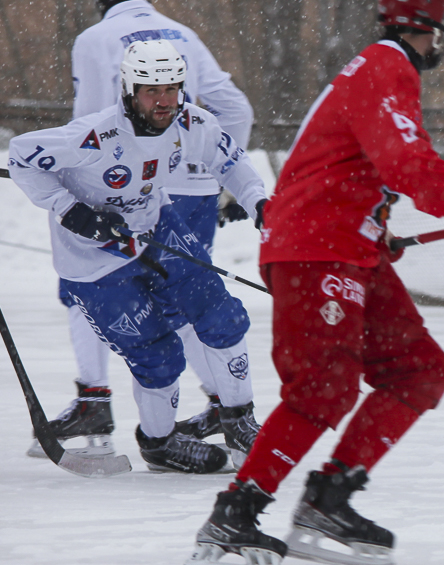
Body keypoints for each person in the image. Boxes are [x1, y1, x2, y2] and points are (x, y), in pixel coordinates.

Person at [183, 0, 444, 565]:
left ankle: (328, 501)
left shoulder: (380, 69)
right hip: (315, 250)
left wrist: (375, 230)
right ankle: (234, 517)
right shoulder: (386, 67)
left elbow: (355, 169)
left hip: (348, 249)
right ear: (434, 20)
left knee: (418, 369)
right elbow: (404, 157)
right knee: (322, 387)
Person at [35, 0, 256, 460]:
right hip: (192, 183)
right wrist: (219, 174)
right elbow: (232, 107)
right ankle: (229, 407)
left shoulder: (92, 40)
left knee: (95, 290)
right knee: (191, 298)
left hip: (126, 183)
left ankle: (97, 397)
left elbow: (92, 123)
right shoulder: (184, 33)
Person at [8, 40, 268, 473]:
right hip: (93, 262)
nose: (164, 101)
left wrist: (259, 201)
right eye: (152, 91)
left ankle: (240, 419)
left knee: (220, 313)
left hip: (155, 228)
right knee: (159, 357)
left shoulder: (190, 122)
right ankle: (160, 444)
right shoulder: (94, 135)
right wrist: (73, 212)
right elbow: (22, 157)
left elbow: (230, 161)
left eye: (172, 89)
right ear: (129, 90)